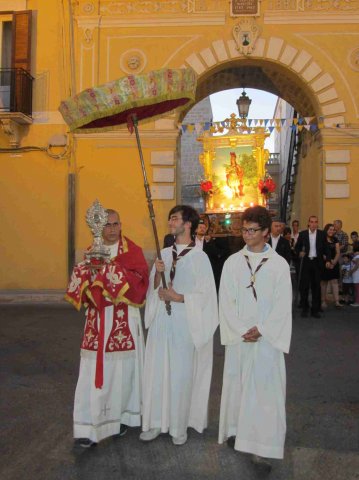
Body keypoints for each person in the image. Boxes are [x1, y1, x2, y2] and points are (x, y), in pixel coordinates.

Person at [65, 209, 149, 448]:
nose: (112, 228)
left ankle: (122, 418)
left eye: (115, 224)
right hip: (98, 320)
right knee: (91, 373)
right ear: (99, 228)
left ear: (121, 225)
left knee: (124, 372)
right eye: (107, 225)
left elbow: (141, 283)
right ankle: (88, 425)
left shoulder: (132, 252)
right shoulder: (91, 253)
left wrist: (110, 270)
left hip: (124, 319)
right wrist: (89, 272)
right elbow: (83, 284)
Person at [218, 206, 292, 472]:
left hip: (266, 340)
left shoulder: (279, 265)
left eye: (252, 230)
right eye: (244, 230)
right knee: (239, 386)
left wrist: (261, 328)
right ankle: (238, 431)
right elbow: (225, 301)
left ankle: (262, 448)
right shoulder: (232, 263)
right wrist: (240, 330)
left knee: (264, 393)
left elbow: (284, 305)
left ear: (265, 231)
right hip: (240, 338)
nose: (247, 235)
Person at [140, 205, 218, 445]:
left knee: (181, 374)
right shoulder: (164, 253)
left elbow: (206, 295)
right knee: (157, 370)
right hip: (162, 322)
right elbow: (153, 290)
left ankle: (178, 425)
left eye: (175, 218)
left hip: (185, 322)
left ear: (188, 225)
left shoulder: (199, 257)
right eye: (170, 218)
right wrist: (156, 274)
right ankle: (154, 422)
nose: (170, 222)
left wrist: (180, 297)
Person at [295, 216, 330, 318]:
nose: (314, 224)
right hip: (306, 263)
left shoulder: (322, 234)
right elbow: (297, 247)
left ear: (317, 223)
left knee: (316, 287)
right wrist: (299, 252)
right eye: (312, 222)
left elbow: (326, 248)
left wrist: (328, 260)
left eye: (316, 222)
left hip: (317, 263)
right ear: (308, 223)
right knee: (304, 287)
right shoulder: (303, 234)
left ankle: (315, 310)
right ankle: (305, 308)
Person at [321, 223, 341, 309]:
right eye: (330, 229)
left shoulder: (335, 239)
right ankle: (323, 301)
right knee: (324, 282)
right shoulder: (322, 239)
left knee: (335, 282)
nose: (331, 231)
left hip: (334, 263)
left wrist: (334, 262)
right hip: (324, 263)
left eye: (333, 230)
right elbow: (321, 252)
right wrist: (328, 261)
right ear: (326, 230)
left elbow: (338, 252)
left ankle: (337, 301)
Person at [350, 242, 359, 307]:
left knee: (357, 289)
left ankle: (357, 302)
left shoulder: (357, 256)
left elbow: (357, 265)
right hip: (356, 274)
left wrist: (351, 271)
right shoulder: (356, 255)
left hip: (356, 275)